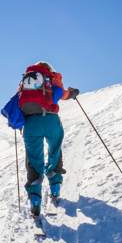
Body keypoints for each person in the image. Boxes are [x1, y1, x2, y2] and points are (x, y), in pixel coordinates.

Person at [15, 61, 78, 216]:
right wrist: (72, 93)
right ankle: (55, 188)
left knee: (33, 159)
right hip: (51, 120)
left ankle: (35, 200)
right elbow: (60, 93)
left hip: (30, 124)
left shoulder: (25, 81)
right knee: (54, 151)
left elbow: (18, 101)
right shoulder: (51, 78)